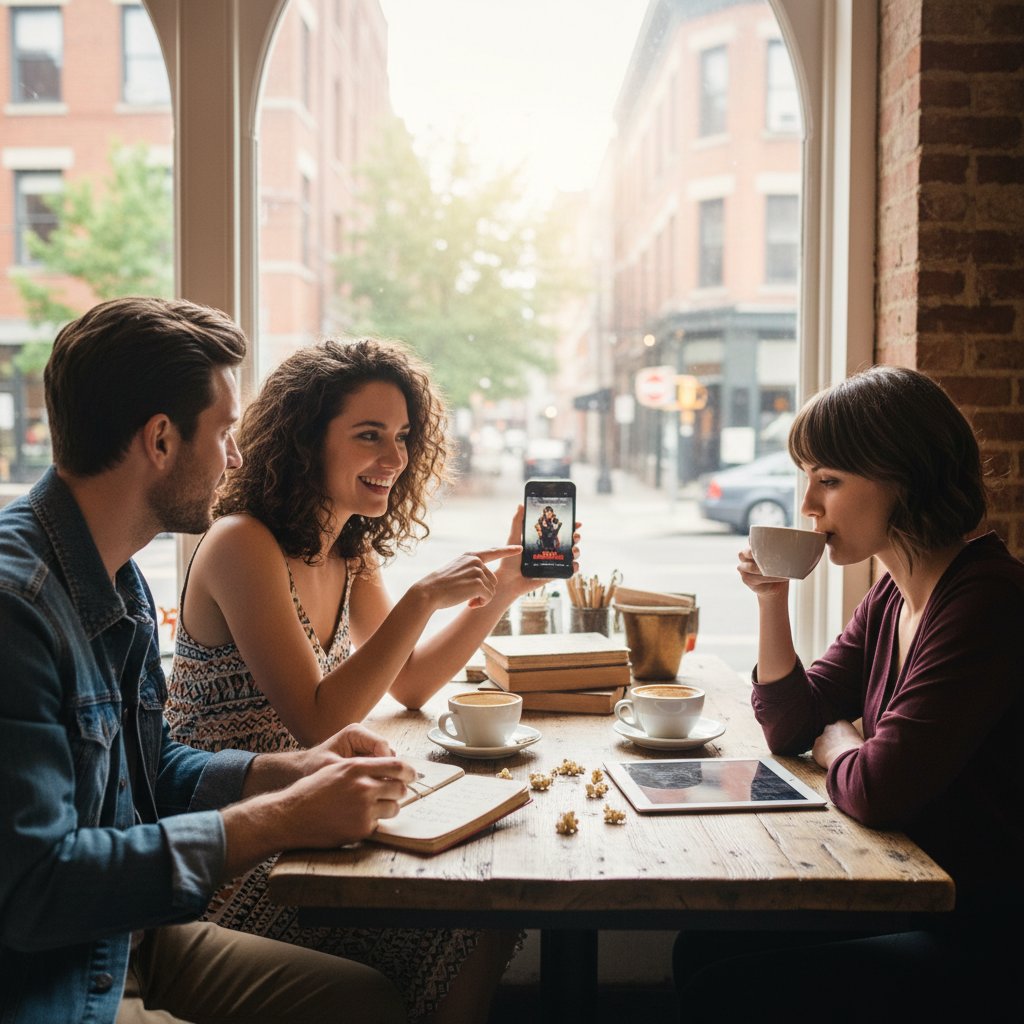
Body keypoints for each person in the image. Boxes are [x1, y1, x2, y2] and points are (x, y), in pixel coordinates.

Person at [0, 297, 415, 1024]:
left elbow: (151, 766)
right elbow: (37, 892)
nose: (238, 455)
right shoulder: (16, 609)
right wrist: (278, 819)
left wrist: (289, 771)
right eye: (225, 431)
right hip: (51, 981)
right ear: (160, 439)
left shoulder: (114, 573)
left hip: (127, 939)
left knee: (366, 1002)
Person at [164, 338, 580, 1022]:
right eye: (368, 436)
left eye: (403, 436)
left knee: (490, 908)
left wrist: (505, 591)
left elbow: (410, 683)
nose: (395, 459)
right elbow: (322, 720)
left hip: (306, 812)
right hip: (232, 846)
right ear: (304, 442)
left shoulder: (348, 549)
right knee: (471, 917)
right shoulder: (243, 542)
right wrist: (421, 600)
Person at [674, 365, 1024, 1018]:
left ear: (906, 478)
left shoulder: (987, 602)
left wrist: (839, 743)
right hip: (919, 892)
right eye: (807, 477)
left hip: (981, 931)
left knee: (717, 990)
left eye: (829, 480)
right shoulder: (893, 594)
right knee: (703, 946)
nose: (808, 505)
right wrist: (772, 600)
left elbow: (879, 788)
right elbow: (790, 723)